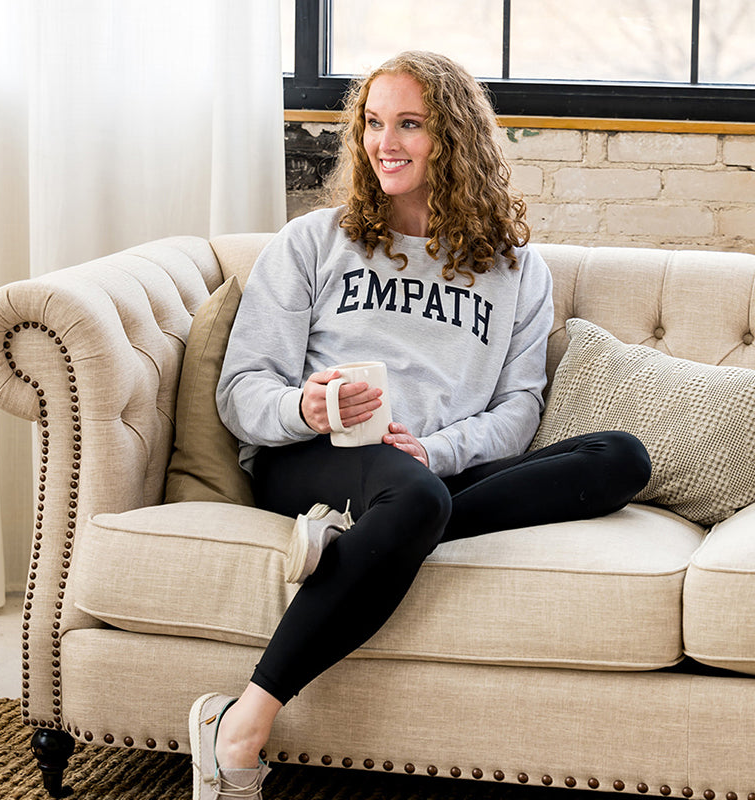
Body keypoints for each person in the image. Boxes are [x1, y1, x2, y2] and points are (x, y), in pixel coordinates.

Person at [189, 50, 651, 800]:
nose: (384, 143)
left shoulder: (515, 269)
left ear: (456, 139)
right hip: (314, 455)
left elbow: (518, 413)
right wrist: (304, 407)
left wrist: (435, 451)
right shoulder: (314, 241)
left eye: (410, 124)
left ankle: (362, 535)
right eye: (373, 123)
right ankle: (241, 721)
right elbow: (242, 391)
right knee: (416, 501)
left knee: (621, 459)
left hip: (430, 469)